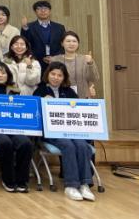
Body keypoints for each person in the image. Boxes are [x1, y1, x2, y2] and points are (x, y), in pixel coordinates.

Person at [34, 62, 96, 201]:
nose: (56, 78)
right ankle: (71, 185)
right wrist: (42, 102)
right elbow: (35, 115)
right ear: (47, 74)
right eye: (53, 74)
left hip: (71, 130)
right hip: (51, 132)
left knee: (82, 145)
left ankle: (84, 184)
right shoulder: (40, 91)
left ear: (64, 77)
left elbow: (79, 111)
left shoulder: (69, 92)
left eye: (59, 75)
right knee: (68, 145)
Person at [0, 63, 32, 193]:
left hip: (12, 128)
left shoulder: (15, 91)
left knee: (26, 143)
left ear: (8, 75)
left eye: (3, 73)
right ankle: (8, 180)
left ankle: (22, 181)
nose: (0, 75)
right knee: (5, 143)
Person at [50, 31, 100, 99]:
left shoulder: (85, 59)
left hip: (83, 98)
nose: (71, 44)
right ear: (62, 43)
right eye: (68, 41)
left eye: (74, 41)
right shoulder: (55, 59)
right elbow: (50, 80)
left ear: (78, 44)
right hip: (61, 98)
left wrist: (90, 63)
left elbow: (94, 78)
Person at [21, 0, 66, 69]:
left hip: (56, 62)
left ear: (50, 11)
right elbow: (25, 44)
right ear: (35, 12)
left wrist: (55, 58)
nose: (43, 11)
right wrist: (25, 28)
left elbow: (64, 45)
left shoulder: (59, 27)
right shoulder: (29, 27)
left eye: (45, 8)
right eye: (39, 9)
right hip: (36, 63)